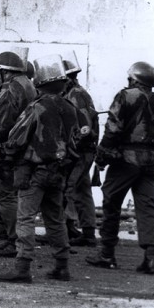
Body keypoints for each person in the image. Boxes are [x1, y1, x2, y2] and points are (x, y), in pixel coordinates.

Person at [0, 54, 79, 283]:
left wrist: (8, 158)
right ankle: (62, 267)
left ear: (40, 82)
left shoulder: (37, 107)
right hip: (58, 172)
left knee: (26, 218)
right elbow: (75, 142)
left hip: (34, 172)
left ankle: (22, 268)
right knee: (56, 219)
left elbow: (16, 137)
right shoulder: (70, 108)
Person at [86, 61, 154, 274]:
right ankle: (150, 258)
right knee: (146, 208)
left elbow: (113, 129)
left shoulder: (125, 96)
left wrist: (102, 155)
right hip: (152, 162)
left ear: (135, 79)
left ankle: (107, 254)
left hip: (125, 159)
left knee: (111, 202)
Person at [0, 51, 37, 257]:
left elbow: (5, 125)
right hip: (25, 147)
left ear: (5, 72)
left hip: (12, 148)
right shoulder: (28, 84)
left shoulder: (10, 90)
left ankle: (14, 240)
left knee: (6, 193)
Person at [61, 51, 99, 246]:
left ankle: (67, 229)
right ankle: (88, 233)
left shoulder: (75, 95)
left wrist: (70, 150)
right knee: (82, 190)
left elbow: (83, 128)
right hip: (84, 151)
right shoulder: (74, 93)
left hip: (80, 152)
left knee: (68, 188)